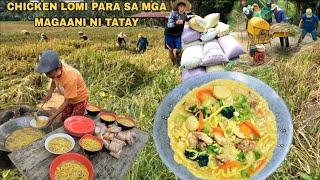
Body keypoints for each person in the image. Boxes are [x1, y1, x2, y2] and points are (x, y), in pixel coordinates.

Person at [35, 50, 89, 126]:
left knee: (73, 121)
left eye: (48, 72)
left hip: (79, 99)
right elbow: (54, 80)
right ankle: (62, 127)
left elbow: (66, 101)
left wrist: (52, 117)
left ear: (58, 69)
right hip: (69, 97)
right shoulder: (55, 70)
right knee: (64, 117)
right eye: (45, 72)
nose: (46, 75)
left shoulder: (70, 78)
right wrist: (50, 93)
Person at [164, 0, 191, 65]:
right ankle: (174, 63)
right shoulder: (173, 13)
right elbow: (169, 25)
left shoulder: (185, 15)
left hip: (177, 35)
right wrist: (176, 23)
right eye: (181, 6)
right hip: (169, 34)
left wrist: (191, 18)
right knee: (170, 49)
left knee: (179, 49)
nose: (182, 8)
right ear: (178, 7)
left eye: (184, 7)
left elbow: (187, 19)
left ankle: (177, 57)